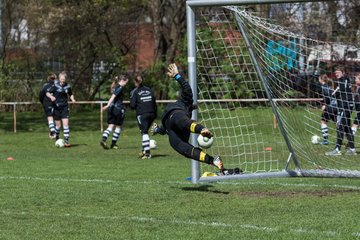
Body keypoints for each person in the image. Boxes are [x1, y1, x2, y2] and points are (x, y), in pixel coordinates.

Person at [151, 63, 224, 172]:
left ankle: (203, 134)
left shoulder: (186, 107)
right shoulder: (183, 103)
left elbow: (187, 89)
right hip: (173, 126)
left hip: (178, 126)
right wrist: (157, 129)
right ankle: (212, 158)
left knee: (183, 122)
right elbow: (165, 129)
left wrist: (177, 76)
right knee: (183, 149)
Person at [326, 67, 356, 156]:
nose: (336, 74)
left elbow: (340, 91)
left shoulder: (343, 80)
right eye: (335, 72)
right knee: (347, 129)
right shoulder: (343, 81)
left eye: (338, 72)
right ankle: (352, 149)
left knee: (340, 127)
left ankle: (337, 149)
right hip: (345, 106)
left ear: (343, 72)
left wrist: (335, 93)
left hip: (345, 107)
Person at [130, 75, 157, 159]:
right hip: (152, 113)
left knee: (144, 132)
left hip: (142, 114)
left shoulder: (135, 91)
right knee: (144, 132)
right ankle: (143, 150)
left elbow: (132, 105)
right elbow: (154, 102)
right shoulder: (149, 90)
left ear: (135, 82)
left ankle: (147, 154)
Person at [46, 71, 76, 147]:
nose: (62, 80)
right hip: (56, 107)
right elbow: (47, 92)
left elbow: (70, 94)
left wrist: (73, 99)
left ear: (65, 79)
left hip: (65, 107)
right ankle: (56, 137)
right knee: (58, 126)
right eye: (61, 79)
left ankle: (66, 141)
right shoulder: (55, 85)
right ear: (59, 79)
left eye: (64, 79)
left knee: (66, 124)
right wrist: (51, 97)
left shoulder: (67, 86)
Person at [100, 75, 129, 150]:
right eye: (126, 82)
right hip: (118, 109)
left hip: (111, 109)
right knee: (118, 127)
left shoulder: (114, 86)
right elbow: (113, 96)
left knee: (110, 126)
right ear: (122, 81)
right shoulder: (120, 87)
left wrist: (108, 106)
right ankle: (113, 144)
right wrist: (107, 105)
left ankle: (103, 140)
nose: (126, 84)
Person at [318, 74, 337, 145]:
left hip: (330, 107)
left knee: (323, 121)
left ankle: (325, 140)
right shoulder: (330, 87)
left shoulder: (324, 87)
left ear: (321, 80)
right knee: (338, 124)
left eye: (319, 79)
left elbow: (327, 97)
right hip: (336, 106)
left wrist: (324, 105)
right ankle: (348, 139)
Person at [39, 72, 57, 139]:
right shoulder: (47, 86)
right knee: (51, 116)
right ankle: (53, 132)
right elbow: (42, 94)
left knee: (52, 117)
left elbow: (40, 95)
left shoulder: (46, 85)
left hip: (50, 103)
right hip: (48, 102)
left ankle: (52, 132)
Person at [351, 74, 360, 138]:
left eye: (356, 79)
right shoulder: (357, 87)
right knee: (355, 124)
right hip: (358, 109)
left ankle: (350, 142)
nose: (355, 80)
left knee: (355, 124)